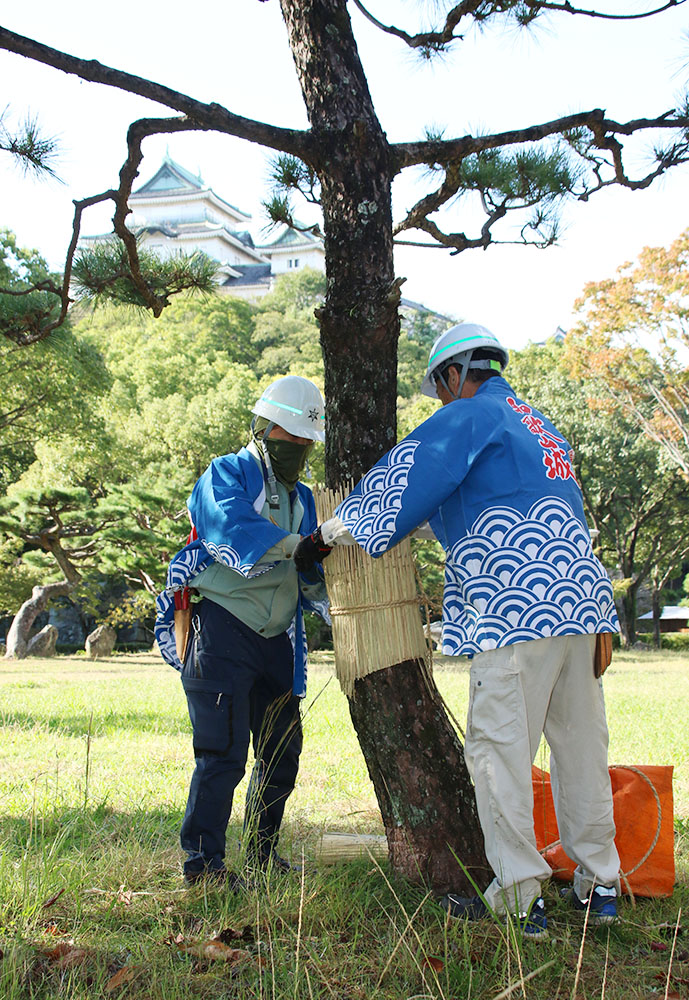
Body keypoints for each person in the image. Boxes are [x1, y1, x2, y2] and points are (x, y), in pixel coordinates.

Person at [318, 323, 620, 938]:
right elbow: (472, 502)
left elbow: (408, 476)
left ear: (455, 374)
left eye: (441, 389)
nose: (442, 401)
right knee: (581, 747)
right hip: (580, 606)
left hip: (515, 606)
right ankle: (601, 884)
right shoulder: (540, 429)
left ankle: (519, 894)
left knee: (499, 750)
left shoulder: (470, 416)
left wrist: (329, 533)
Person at [155, 376, 331, 886]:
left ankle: (262, 852)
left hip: (276, 638)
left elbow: (308, 566)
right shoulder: (227, 473)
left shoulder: (305, 499)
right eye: (288, 436)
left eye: (305, 441)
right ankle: (204, 864)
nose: (296, 448)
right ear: (262, 427)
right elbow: (227, 524)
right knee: (221, 754)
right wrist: (293, 546)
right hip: (223, 630)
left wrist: (318, 559)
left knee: (281, 752)